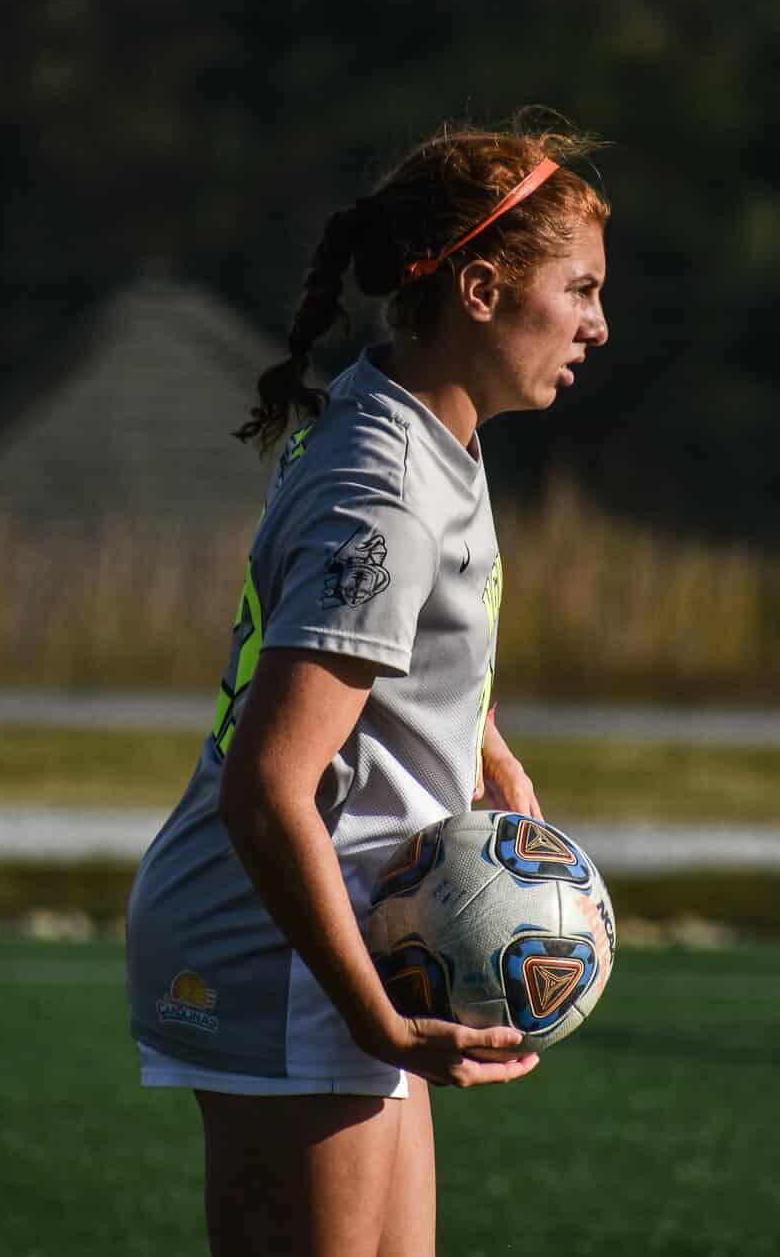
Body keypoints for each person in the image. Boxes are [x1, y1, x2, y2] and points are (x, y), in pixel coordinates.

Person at [126, 113, 610, 1257]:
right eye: (578, 290)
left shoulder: (418, 426)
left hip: (360, 928)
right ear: (482, 289)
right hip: (283, 939)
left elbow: (393, 635)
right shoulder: (383, 484)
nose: (597, 324)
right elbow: (267, 787)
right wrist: (374, 1019)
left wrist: (482, 746)